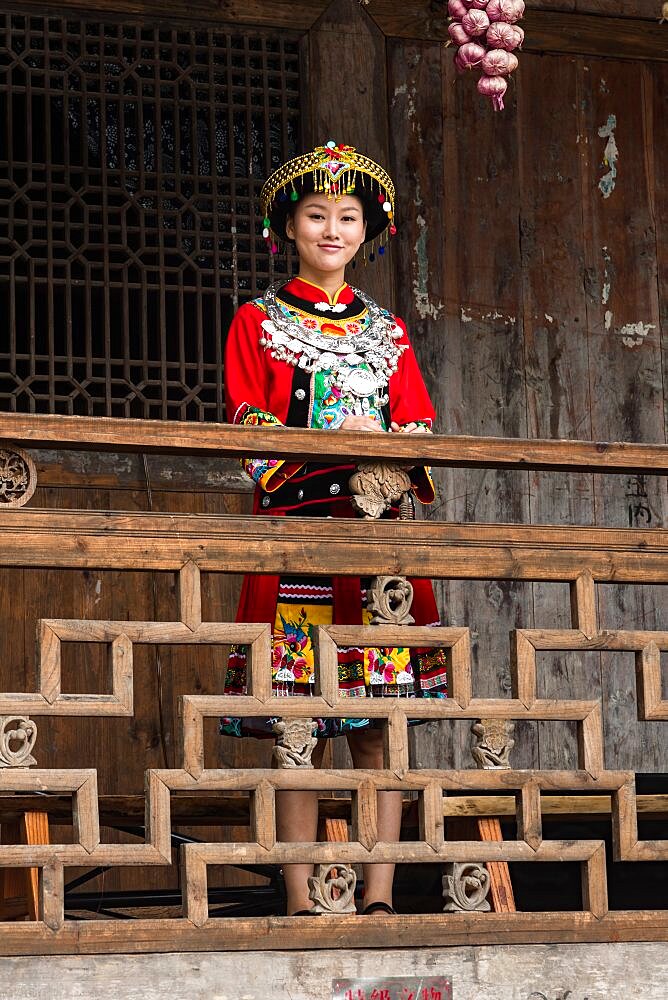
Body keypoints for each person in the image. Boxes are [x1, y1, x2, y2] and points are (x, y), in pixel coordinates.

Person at [221, 142, 447, 916]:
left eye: (347, 216)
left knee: (379, 730)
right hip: (298, 548)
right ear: (289, 225)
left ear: (366, 231)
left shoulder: (387, 331)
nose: (332, 228)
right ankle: (303, 899)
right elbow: (249, 427)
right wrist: (333, 456)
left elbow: (417, 424)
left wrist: (383, 458)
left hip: (378, 551)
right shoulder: (258, 322)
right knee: (300, 729)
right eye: (317, 214)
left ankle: (379, 899)